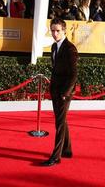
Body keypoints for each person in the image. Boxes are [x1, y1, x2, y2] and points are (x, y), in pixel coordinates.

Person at [41, 18, 78, 166]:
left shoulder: (70, 49)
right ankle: (67, 150)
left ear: (64, 31)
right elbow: (56, 68)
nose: (55, 34)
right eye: (53, 30)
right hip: (55, 90)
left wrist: (65, 93)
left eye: (58, 31)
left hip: (64, 93)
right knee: (61, 121)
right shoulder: (54, 47)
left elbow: (74, 74)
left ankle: (56, 157)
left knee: (60, 124)